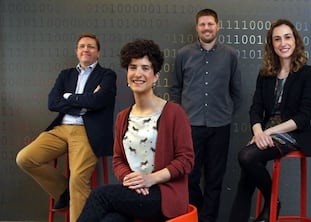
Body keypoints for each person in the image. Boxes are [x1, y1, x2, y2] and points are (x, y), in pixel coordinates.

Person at [77, 38, 194, 222]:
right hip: (135, 193)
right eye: (133, 67)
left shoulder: (174, 112)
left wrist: (150, 179)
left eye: (145, 68)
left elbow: (186, 161)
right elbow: (118, 161)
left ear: (155, 76)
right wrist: (133, 180)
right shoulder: (123, 117)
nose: (138, 73)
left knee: (100, 195)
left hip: (163, 195)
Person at [15, 32, 117, 222]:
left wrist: (69, 97)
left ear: (98, 53)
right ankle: (64, 190)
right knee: (25, 158)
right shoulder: (66, 75)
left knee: (78, 179)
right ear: (77, 52)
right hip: (60, 129)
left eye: (91, 46)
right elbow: (52, 103)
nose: (86, 49)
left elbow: (99, 100)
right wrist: (85, 101)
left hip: (87, 132)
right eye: (82, 46)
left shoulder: (107, 75)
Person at [228, 19, 311, 222]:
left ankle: (273, 202)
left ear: (295, 41)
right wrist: (258, 132)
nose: (283, 43)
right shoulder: (266, 75)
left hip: (294, 134)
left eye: (287, 37)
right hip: (266, 133)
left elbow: (304, 117)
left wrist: (267, 132)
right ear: (272, 44)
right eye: (277, 39)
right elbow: (255, 109)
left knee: (246, 156)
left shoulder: (308, 73)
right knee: (247, 170)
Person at [170, 8, 242, 222]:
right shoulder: (183, 54)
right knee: (189, 177)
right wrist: (181, 116)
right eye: (202, 24)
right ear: (197, 28)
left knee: (215, 179)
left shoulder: (230, 54)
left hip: (220, 126)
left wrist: (226, 114)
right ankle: (195, 216)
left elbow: (237, 91)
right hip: (190, 125)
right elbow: (176, 89)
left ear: (218, 26)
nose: (207, 28)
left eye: (210, 24)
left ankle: (208, 219)